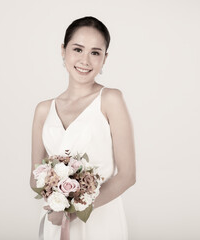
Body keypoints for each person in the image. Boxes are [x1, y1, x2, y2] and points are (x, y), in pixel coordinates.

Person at [30, 16, 136, 240]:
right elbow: (34, 177)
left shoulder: (110, 99)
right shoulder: (43, 110)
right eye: (78, 49)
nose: (85, 60)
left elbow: (127, 175)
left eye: (95, 52)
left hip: (100, 220)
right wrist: (57, 199)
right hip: (55, 220)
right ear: (63, 50)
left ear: (104, 58)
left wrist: (73, 211)